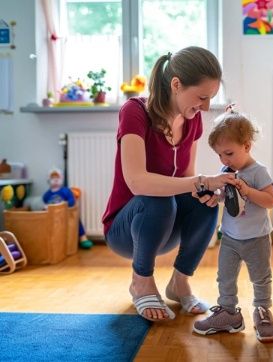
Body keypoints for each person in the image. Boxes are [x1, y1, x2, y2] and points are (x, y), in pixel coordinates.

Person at [102, 46, 236, 322]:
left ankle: (179, 283)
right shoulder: (134, 111)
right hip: (127, 228)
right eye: (202, 97)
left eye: (210, 98)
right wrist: (200, 181)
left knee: (204, 199)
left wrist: (206, 188)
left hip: (164, 224)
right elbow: (137, 182)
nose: (207, 107)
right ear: (176, 85)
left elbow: (187, 179)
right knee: (157, 196)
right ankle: (141, 283)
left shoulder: (192, 119)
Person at [193, 106, 273, 343]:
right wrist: (213, 197)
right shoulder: (226, 170)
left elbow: (270, 201)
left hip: (256, 238)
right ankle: (229, 313)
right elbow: (224, 197)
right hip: (230, 238)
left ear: (247, 146)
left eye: (229, 153)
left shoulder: (258, 172)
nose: (224, 160)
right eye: (219, 155)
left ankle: (262, 311)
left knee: (260, 277)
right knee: (225, 277)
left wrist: (248, 190)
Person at [43, 168, 93, 249]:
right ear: (49, 179)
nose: (55, 180)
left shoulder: (65, 191)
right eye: (53, 178)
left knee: (76, 220)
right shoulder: (47, 194)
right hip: (53, 217)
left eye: (57, 178)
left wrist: (64, 204)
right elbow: (45, 203)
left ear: (61, 178)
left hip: (65, 214)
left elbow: (71, 201)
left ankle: (83, 238)